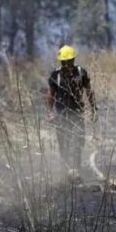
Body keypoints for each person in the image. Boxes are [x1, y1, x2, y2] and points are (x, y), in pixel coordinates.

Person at [46, 45, 97, 176]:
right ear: (61, 62)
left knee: (79, 141)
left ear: (73, 61)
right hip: (61, 113)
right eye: (65, 62)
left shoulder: (81, 73)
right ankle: (65, 170)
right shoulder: (55, 75)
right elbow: (50, 95)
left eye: (70, 61)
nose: (67, 64)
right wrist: (51, 113)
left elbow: (89, 92)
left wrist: (93, 109)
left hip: (77, 112)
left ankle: (76, 170)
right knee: (63, 141)